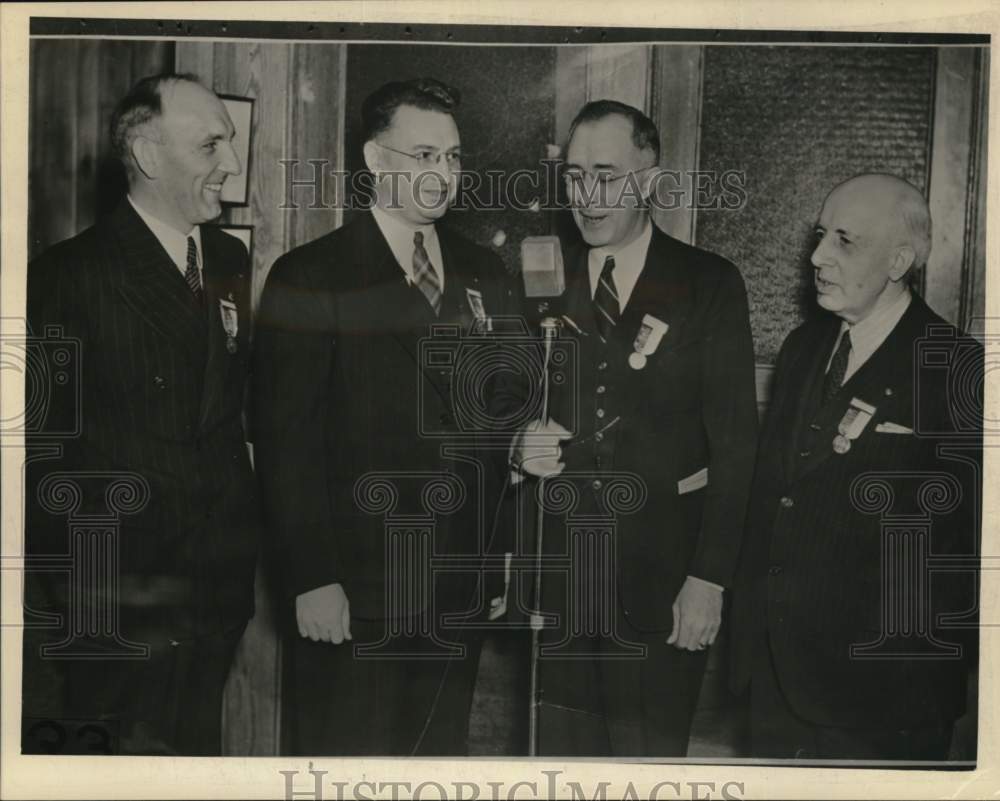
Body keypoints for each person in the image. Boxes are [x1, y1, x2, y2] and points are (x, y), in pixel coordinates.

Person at [253, 78, 510, 755]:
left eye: (452, 158)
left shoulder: (486, 273)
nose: (443, 174)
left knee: (437, 766)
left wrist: (497, 560)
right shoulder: (311, 275)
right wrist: (313, 577)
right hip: (355, 590)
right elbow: (285, 443)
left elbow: (498, 428)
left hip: (457, 586)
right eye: (424, 155)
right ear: (374, 159)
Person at [497, 99, 759, 756]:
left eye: (606, 175)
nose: (587, 196)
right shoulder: (538, 277)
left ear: (649, 181)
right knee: (558, 768)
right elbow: (501, 402)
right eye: (575, 175)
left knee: (646, 769)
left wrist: (709, 580)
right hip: (557, 583)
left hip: (661, 586)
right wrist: (516, 443)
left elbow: (736, 446)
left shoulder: (708, 284)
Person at [24, 73, 259, 755]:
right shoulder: (68, 275)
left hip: (217, 592)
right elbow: (40, 454)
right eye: (211, 145)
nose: (231, 163)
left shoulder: (228, 257)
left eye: (230, 142)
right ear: (150, 156)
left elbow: (226, 408)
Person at [729, 173, 982, 760]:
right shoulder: (802, 348)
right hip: (775, 683)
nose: (818, 256)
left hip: (884, 699)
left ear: (898, 261)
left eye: (844, 240)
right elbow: (775, 497)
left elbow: (977, 550)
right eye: (821, 235)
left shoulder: (957, 369)